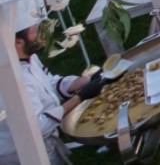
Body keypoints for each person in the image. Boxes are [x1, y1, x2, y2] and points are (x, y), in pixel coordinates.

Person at [11, 19, 101, 162]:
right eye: (34, 32)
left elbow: (48, 83)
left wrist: (85, 81)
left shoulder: (30, 58)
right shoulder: (12, 80)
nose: (41, 34)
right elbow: (38, 126)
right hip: (26, 155)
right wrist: (80, 97)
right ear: (18, 42)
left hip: (49, 142)